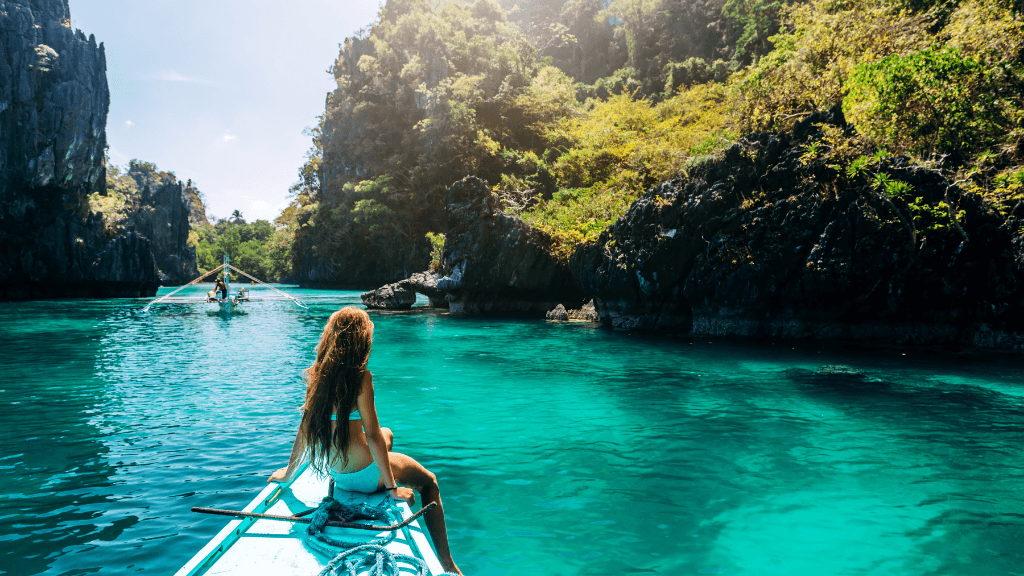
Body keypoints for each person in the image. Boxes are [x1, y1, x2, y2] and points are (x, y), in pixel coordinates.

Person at [269, 307, 461, 575]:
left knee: (388, 433)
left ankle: (383, 474)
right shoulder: (361, 378)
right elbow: (371, 436)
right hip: (366, 478)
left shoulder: (314, 375)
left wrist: (289, 474)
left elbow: (304, 431)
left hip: (340, 475)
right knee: (428, 481)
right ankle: (448, 564)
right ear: (362, 341)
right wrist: (393, 490)